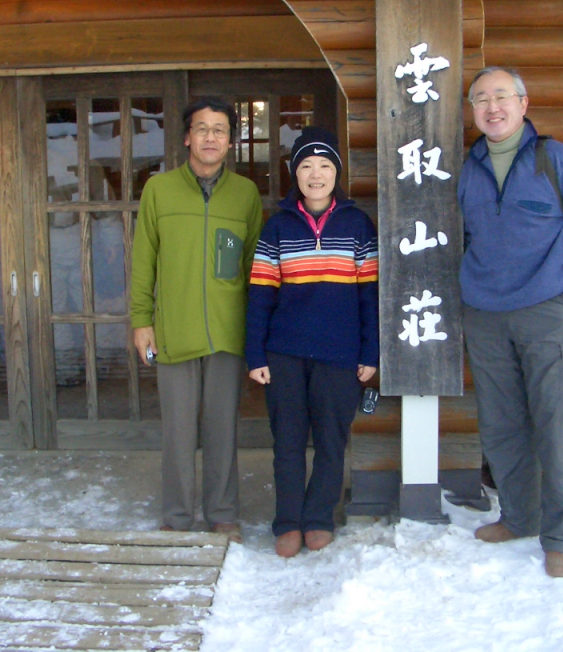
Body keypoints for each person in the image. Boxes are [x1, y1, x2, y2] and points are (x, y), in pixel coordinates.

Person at [458, 66, 563, 578]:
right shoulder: (470, 166)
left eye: (502, 96)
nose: (492, 106)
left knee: (557, 429)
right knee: (501, 427)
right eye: (481, 99)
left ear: (524, 103)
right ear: (474, 111)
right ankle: (520, 516)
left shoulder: (555, 159)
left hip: (549, 314)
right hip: (485, 317)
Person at [130, 96, 263, 543]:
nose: (210, 137)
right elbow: (143, 260)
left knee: (223, 428)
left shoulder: (244, 194)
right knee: (178, 431)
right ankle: (178, 515)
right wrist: (141, 320)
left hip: (228, 332)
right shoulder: (159, 190)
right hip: (174, 331)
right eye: (202, 129)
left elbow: (253, 267)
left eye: (220, 130)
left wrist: (256, 330)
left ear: (230, 141)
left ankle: (223, 513)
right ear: (187, 137)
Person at [245, 126, 379, 558]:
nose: (315, 174)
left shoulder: (358, 224)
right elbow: (261, 295)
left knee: (330, 440)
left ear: (335, 172)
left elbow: (370, 296)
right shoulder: (277, 227)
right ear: (294, 173)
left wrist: (370, 352)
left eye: (324, 165)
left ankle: (319, 517)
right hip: (284, 354)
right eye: (306, 165)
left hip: (340, 355)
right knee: (286, 440)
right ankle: (288, 521)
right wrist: (255, 353)